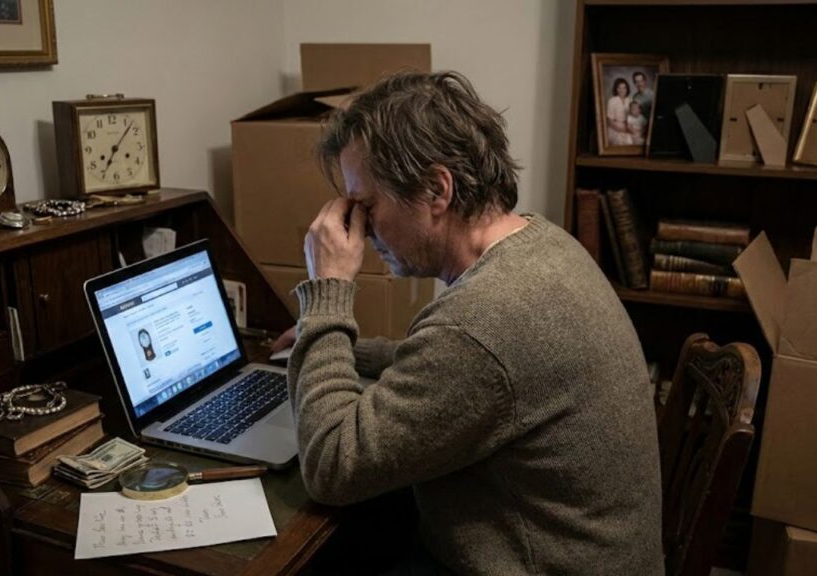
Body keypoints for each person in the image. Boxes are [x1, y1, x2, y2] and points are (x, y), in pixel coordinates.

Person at [275, 70, 663, 575]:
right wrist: (351, 349)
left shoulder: (481, 323)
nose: (362, 231)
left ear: (437, 189)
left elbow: (330, 466)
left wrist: (327, 295)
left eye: (366, 206)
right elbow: (457, 367)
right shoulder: (543, 243)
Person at [606, 76, 633, 145]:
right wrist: (623, 129)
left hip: (628, 126)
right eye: (619, 88)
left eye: (624, 88)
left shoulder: (630, 101)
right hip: (615, 128)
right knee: (620, 142)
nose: (622, 90)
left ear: (627, 89)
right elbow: (610, 122)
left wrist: (629, 128)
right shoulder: (612, 101)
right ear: (616, 89)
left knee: (632, 142)